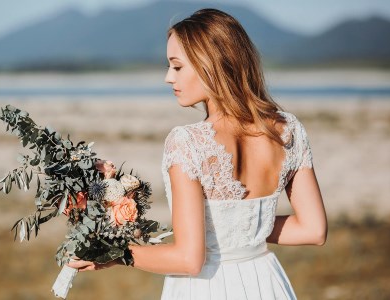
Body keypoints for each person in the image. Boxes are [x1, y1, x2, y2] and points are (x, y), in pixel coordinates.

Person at [69, 8, 327, 299]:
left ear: (210, 65)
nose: (168, 77)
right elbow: (312, 230)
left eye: (177, 67)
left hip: (207, 288)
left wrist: (116, 255)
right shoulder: (288, 129)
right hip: (266, 282)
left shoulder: (187, 142)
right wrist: (243, 231)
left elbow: (189, 261)